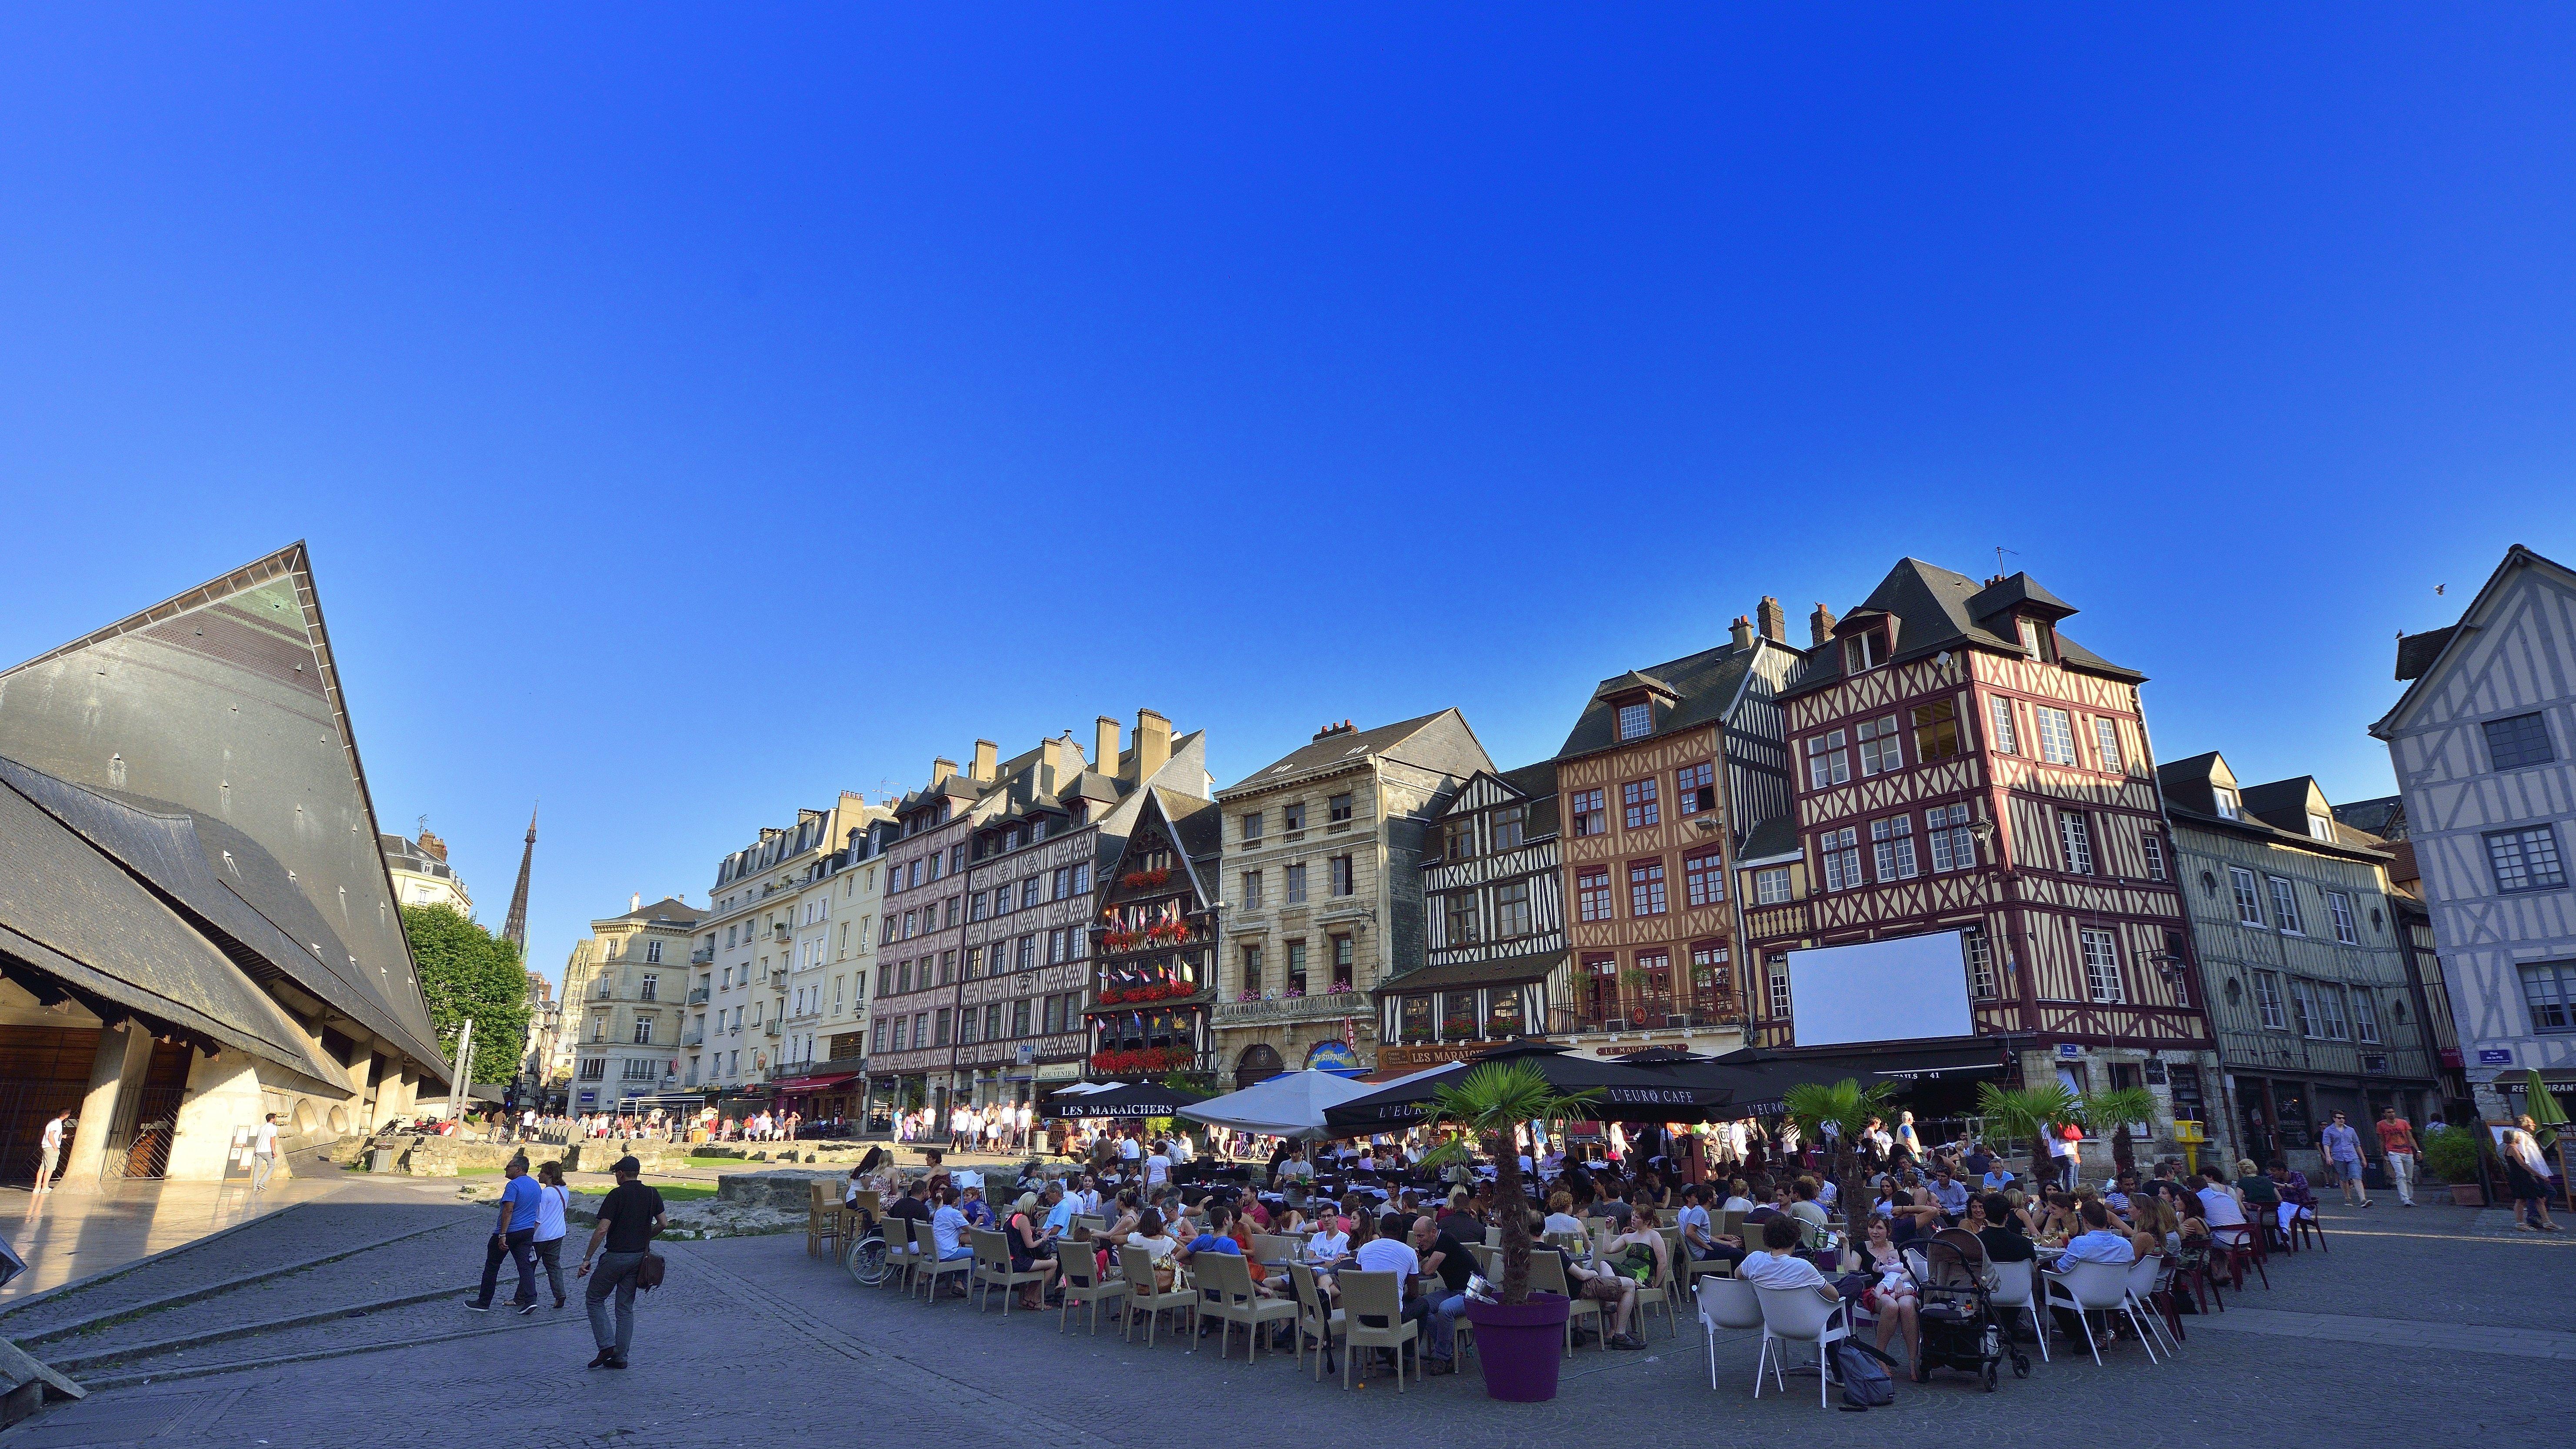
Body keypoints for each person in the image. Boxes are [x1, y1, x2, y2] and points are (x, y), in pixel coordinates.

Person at [575, 1155, 665, 1369]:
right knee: (625, 1308)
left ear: (622, 1174)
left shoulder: (616, 1195)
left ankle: (607, 1345)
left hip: (616, 1256)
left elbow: (602, 1229)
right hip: (638, 1258)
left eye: (617, 1172)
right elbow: (663, 1223)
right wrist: (644, 1237)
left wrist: (587, 1259)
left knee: (595, 1298)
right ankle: (620, 1357)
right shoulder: (652, 1194)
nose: (616, 1176)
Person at [467, 1157, 543, 1315]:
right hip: (527, 1231)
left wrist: (502, 1234)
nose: (505, 1169)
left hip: (509, 1232)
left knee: (492, 1266)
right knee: (525, 1266)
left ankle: (484, 1302)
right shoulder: (536, 1185)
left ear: (518, 1168)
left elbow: (508, 1210)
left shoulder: (513, 1185)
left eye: (508, 1166)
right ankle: (531, 1300)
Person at [1844, 1216, 1919, 1367]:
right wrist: (1846, 1245)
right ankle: (1880, 1357)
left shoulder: (1899, 1248)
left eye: (1879, 1228)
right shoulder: (1861, 1248)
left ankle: (1914, 1361)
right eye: (1872, 1228)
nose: (1874, 1232)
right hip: (1875, 1290)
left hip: (1900, 1287)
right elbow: (1850, 1272)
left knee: (1906, 1305)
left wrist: (1900, 1281)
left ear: (1888, 1231)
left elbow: (1911, 1270)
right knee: (1891, 1306)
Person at [2501, 1118, 2560, 1232]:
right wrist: (2540, 1175)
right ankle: (2526, 1222)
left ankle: (2545, 1222)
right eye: (2517, 1137)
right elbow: (2523, 1164)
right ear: (2514, 1138)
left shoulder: (2511, 1147)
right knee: (2523, 1200)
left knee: (2535, 1198)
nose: (2519, 1137)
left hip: (2523, 1176)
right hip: (2522, 1177)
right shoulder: (2513, 1148)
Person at [532, 1161, 574, 1310]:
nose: (539, 1175)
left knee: (529, 1266)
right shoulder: (564, 1190)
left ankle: (522, 1298)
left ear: (549, 1175)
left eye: (542, 1172)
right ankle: (559, 1294)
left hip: (541, 1236)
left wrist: (530, 1236)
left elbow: (538, 1218)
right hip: (558, 1233)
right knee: (553, 1266)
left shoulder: (546, 1193)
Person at [1005, 1193, 1058, 1309]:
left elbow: (1021, 1231)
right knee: (1053, 1264)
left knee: (1042, 1265)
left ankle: (1028, 1297)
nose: (1035, 1210)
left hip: (1006, 1262)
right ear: (1030, 1205)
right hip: (1018, 1262)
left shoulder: (1013, 1216)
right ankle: (1035, 1299)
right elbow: (1030, 1245)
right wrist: (1043, 1239)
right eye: (1035, 1207)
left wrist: (1035, 1230)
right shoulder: (1023, 1219)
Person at [2053, 1199, 2137, 1265]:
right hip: (2116, 1286)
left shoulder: (2079, 1244)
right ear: (2106, 1220)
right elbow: (2129, 1269)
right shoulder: (2125, 1245)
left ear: (2085, 1221)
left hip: (2082, 1286)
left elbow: (2061, 1268)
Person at [927, 1187, 974, 1291]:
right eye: (958, 1198)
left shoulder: (939, 1212)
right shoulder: (955, 1213)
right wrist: (978, 1222)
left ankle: (959, 1282)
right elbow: (970, 1230)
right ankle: (963, 1284)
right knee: (978, 1253)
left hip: (937, 1251)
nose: (960, 1200)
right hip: (948, 1252)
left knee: (964, 1252)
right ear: (954, 1200)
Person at [2319, 1112, 2371, 1207]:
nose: (2342, 1120)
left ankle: (2363, 1200)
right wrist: (2328, 1156)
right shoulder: (2329, 1131)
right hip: (2338, 1157)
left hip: (2352, 1156)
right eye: (2339, 1118)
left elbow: (2357, 1145)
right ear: (2334, 1119)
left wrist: (2363, 1158)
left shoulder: (2350, 1130)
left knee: (2357, 1177)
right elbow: (2326, 1144)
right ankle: (2348, 1198)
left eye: (2343, 1118)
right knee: (2343, 1178)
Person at [2376, 1107, 2421, 1208]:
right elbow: (2382, 1140)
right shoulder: (2381, 1125)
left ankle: (2409, 1198)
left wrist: (2418, 1150)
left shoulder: (2403, 1123)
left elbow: (2410, 1137)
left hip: (2407, 1151)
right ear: (2385, 1114)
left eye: (2393, 1112)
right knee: (2401, 1175)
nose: (2392, 1114)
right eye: (2389, 1112)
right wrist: (2383, 1153)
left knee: (2409, 1177)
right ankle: (2405, 1199)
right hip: (2393, 1151)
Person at [35, 1109, 70, 1193]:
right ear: (66, 1115)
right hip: (51, 1147)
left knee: (43, 1167)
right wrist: (55, 1147)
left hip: (47, 1147)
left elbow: (54, 1135)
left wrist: (62, 1137)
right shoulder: (57, 1123)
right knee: (50, 1168)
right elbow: (51, 1136)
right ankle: (45, 1187)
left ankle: (37, 1188)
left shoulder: (53, 1122)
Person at [251, 1111, 281, 1192]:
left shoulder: (261, 1128)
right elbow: (272, 1140)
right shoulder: (273, 1128)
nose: (276, 1120)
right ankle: (261, 1182)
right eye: (275, 1118)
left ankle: (255, 1187)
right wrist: (274, 1151)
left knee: (257, 1168)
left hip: (258, 1151)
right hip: (267, 1151)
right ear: (272, 1119)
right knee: (271, 1166)